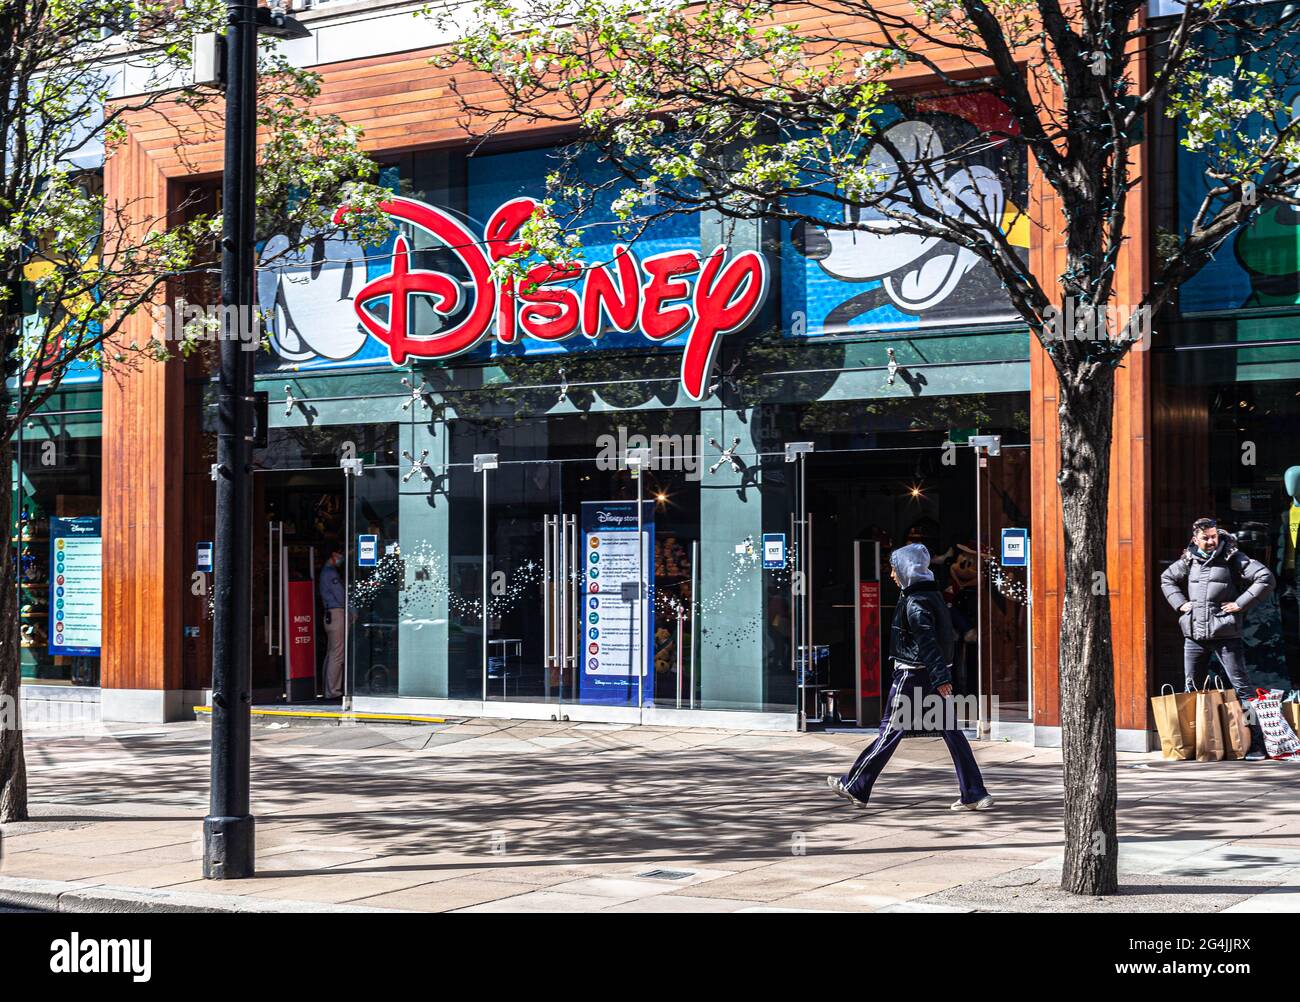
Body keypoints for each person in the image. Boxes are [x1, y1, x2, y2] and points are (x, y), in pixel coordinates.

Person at [827, 543, 994, 811]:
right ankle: (974, 793)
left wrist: (941, 678)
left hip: (912, 674)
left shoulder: (915, 602)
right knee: (952, 732)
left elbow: (928, 642)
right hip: (931, 675)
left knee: (890, 731)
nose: (892, 575)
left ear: (906, 569)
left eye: (895, 569)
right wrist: (942, 676)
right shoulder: (931, 594)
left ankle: (856, 785)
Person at [1160, 517, 1274, 760]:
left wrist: (1240, 604)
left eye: (1214, 536)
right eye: (1206, 537)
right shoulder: (1188, 559)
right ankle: (1193, 742)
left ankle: (1257, 744)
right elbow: (1166, 578)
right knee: (1191, 689)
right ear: (1195, 539)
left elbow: (1265, 578)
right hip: (1194, 636)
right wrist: (1180, 604)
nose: (1212, 541)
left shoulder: (1233, 557)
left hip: (1225, 635)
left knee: (1243, 689)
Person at [319, 543, 349, 699]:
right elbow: (341, 596)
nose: (341, 558)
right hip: (336, 614)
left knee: (331, 653)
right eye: (339, 554)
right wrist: (352, 610)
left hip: (330, 615)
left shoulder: (326, 573)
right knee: (337, 654)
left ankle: (327, 689)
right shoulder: (331, 574)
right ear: (332, 555)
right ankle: (333, 691)